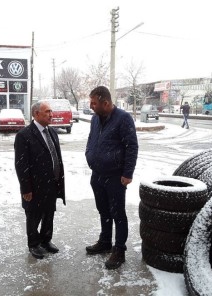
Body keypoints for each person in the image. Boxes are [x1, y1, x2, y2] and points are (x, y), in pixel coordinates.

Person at [85, 86, 139, 269]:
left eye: (93, 103)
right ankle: (105, 242)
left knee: (118, 214)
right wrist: (89, 155)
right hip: (97, 175)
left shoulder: (123, 119)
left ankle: (119, 250)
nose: (90, 106)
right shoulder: (95, 119)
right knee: (104, 211)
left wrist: (127, 173)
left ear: (105, 103)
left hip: (115, 177)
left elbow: (132, 146)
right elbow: (91, 139)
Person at [14, 101, 66, 259]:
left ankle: (46, 240)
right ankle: (34, 244)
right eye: (47, 112)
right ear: (36, 114)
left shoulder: (52, 132)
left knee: (49, 214)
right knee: (33, 215)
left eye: (51, 111)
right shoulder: (24, 135)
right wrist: (26, 189)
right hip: (35, 186)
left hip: (52, 183)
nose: (51, 114)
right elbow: (21, 165)